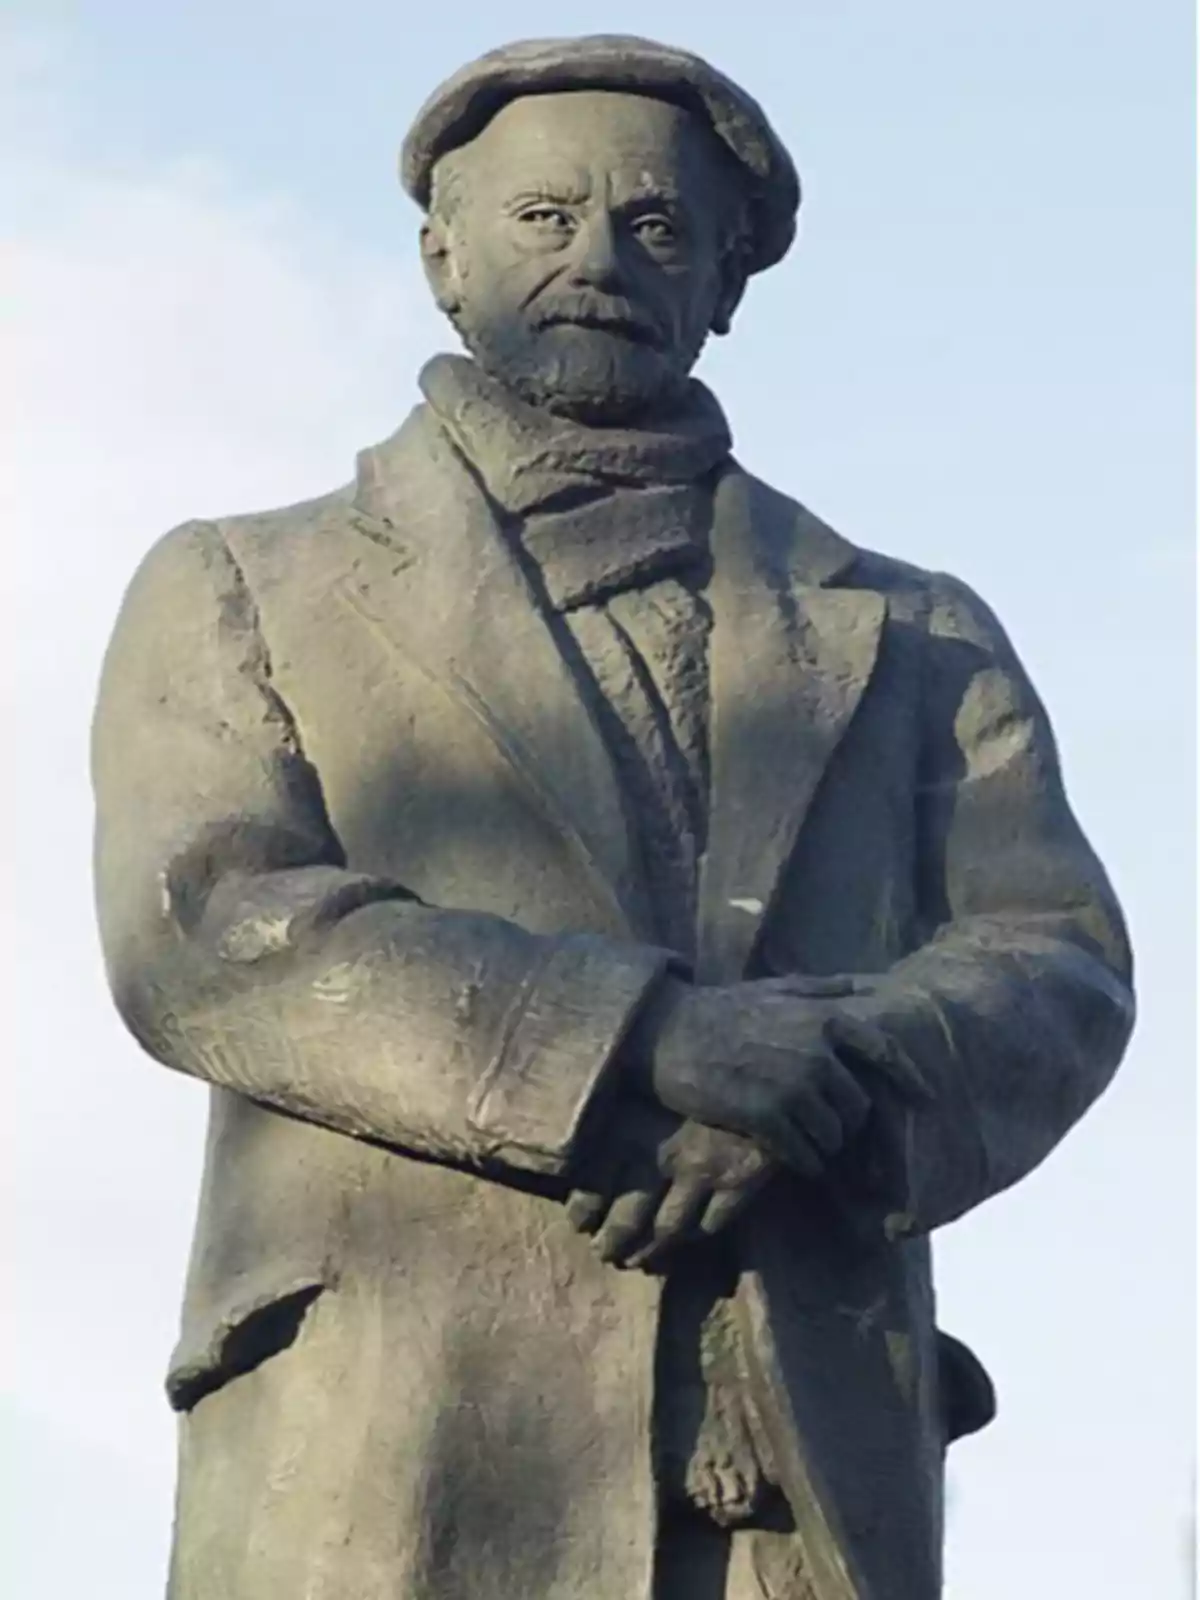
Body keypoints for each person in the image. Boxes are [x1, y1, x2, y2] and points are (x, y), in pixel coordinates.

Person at [92, 34, 1134, 1600]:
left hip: (795, 1456)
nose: (597, 258)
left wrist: (811, 1078)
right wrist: (642, 1047)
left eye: (654, 227)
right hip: (399, 1441)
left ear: (725, 280)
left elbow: (1056, 965)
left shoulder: (916, 633)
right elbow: (215, 929)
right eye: (541, 218)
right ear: (444, 258)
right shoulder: (243, 583)